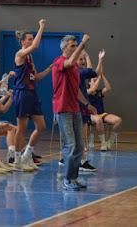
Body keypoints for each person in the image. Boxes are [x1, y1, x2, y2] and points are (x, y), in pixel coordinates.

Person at [52, 34, 96, 191]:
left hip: (75, 109)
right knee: (70, 145)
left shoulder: (76, 68)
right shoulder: (59, 63)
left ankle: (74, 177)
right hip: (63, 109)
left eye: (76, 45)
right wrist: (83, 44)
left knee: (79, 146)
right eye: (73, 45)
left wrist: (86, 104)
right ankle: (67, 180)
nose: (76, 47)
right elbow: (69, 62)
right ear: (64, 48)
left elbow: (76, 89)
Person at [13, 19, 53, 171]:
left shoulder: (30, 59)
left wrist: (50, 69)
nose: (31, 41)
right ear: (23, 42)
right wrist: (41, 27)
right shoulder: (20, 55)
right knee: (21, 128)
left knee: (41, 126)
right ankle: (17, 159)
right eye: (29, 39)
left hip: (31, 93)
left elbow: (36, 77)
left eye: (31, 38)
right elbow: (36, 46)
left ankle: (27, 155)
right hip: (21, 93)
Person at [88, 72, 123, 151]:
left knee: (118, 120)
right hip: (90, 115)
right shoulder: (87, 91)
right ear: (89, 82)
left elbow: (108, 88)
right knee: (98, 119)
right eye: (93, 80)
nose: (95, 81)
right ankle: (103, 143)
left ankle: (110, 142)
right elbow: (93, 88)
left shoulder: (99, 92)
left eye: (96, 80)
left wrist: (102, 75)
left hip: (102, 114)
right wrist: (97, 78)